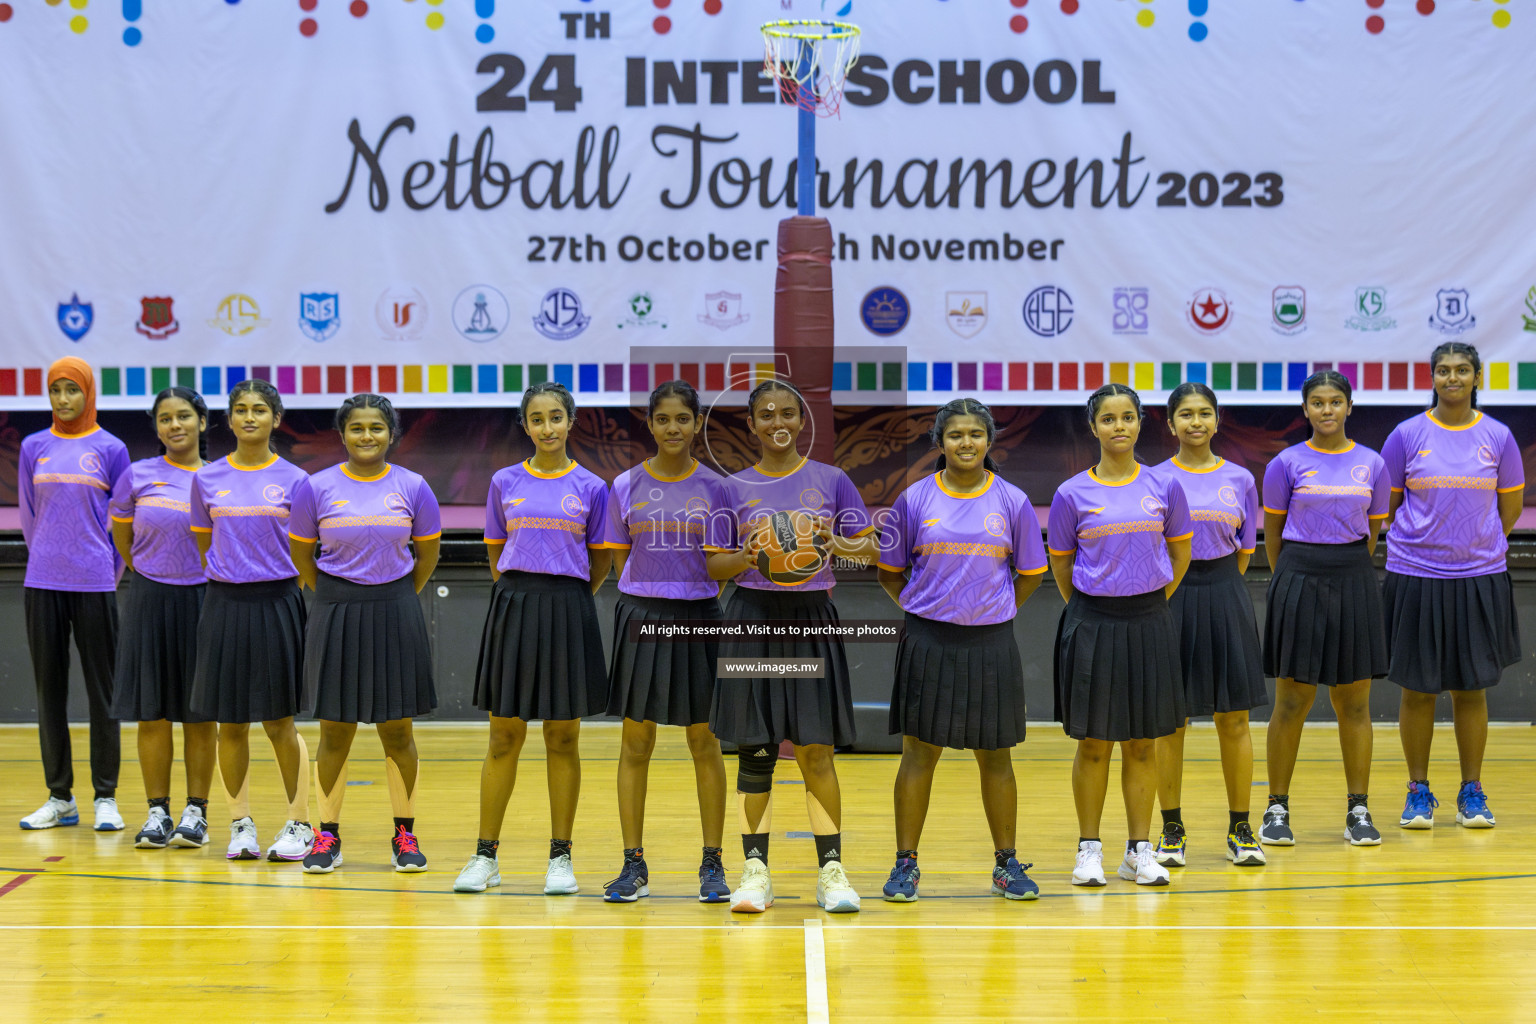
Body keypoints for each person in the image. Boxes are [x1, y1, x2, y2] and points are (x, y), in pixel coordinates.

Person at [706, 379, 878, 915]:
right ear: (751, 424)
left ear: (803, 422)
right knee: (755, 749)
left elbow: (869, 551)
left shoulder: (832, 480)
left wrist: (838, 544)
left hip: (811, 619)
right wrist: (749, 558)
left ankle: (832, 872)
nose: (777, 421)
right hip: (752, 620)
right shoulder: (730, 490)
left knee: (815, 749)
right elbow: (713, 566)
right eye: (765, 414)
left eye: (787, 412)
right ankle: (754, 873)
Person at [876, 398, 1049, 902]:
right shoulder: (915, 500)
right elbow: (891, 572)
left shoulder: (1012, 501)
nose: (966, 443)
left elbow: (1032, 574)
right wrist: (919, 604)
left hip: (990, 643)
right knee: (917, 756)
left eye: (976, 434)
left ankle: (1006, 864)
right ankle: (905, 865)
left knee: (995, 758)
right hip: (927, 639)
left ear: (989, 442)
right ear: (940, 442)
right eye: (956, 435)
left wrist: (994, 610)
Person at [454, 383, 612, 895]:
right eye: (537, 419)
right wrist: (522, 596)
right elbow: (496, 551)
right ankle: (486, 857)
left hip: (568, 607)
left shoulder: (592, 486)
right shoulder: (505, 481)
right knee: (504, 735)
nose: (548, 427)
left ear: (571, 421)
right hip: (515, 607)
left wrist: (564, 596)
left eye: (556, 417)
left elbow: (602, 560)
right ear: (525, 426)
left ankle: (561, 858)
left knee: (563, 736)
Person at [288, 394, 442, 873]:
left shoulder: (414, 486)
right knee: (335, 730)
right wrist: (338, 595)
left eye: (377, 427)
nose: (367, 436)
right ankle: (326, 838)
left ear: (391, 434)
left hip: (396, 608)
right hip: (336, 608)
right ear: (343, 434)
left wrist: (393, 595)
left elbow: (428, 556)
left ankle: (405, 836)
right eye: (357, 428)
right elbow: (302, 557)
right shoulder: (315, 488)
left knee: (398, 730)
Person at [1048, 383, 1190, 888]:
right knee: (1093, 744)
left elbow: (1178, 554)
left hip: (1150, 621)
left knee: (1143, 744)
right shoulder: (1071, 493)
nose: (1119, 427)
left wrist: (1148, 600)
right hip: (1093, 622)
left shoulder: (1164, 486)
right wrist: (1093, 606)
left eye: (1128, 417)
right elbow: (1061, 565)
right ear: (1094, 428)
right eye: (1108, 419)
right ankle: (1089, 849)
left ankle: (1139, 850)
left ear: (1140, 423)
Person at [598, 381, 732, 903]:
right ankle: (633, 864)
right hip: (641, 616)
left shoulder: (717, 489)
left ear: (697, 424)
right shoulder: (625, 483)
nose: (673, 428)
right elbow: (616, 558)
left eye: (682, 418)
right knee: (637, 741)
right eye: (663, 419)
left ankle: (712, 864)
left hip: (699, 616)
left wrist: (689, 596)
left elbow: (719, 566)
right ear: (650, 425)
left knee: (704, 740)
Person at [1380, 343, 1522, 830]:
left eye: (1462, 370)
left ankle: (1472, 792)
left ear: (1478, 376)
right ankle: (1418, 791)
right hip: (1415, 574)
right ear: (1433, 377)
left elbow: (1510, 508)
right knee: (1417, 690)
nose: (1452, 378)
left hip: (1478, 576)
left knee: (1470, 688)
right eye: (1444, 370)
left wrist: (1475, 547)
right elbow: (1390, 502)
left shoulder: (1498, 436)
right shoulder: (1407, 435)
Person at [1259, 370, 1391, 847]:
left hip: (1353, 576)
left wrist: (1343, 564)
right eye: (1318, 402)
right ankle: (1276, 808)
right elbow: (1272, 535)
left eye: (1336, 401)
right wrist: (1292, 577)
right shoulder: (1286, 463)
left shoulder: (1373, 464)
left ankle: (1358, 809)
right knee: (1291, 700)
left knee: (1353, 703)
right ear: (1306, 410)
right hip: (1297, 573)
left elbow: (1372, 532)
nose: (1327, 409)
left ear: (1349, 407)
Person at [188, 380, 314, 862]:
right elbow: (206, 543)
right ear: (229, 419)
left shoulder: (296, 480)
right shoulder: (208, 479)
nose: (248, 417)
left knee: (280, 721)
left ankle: (300, 823)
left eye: (260, 409)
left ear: (276, 419)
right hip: (223, 604)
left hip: (278, 601)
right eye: (240, 410)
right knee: (230, 723)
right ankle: (240, 824)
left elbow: (305, 551)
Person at [1153, 383, 1269, 869]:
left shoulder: (1240, 478)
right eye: (1185, 414)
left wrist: (1217, 585)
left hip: (1225, 592)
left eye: (1204, 413)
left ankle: (1241, 826)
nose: (1195, 422)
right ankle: (1172, 829)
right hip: (1167, 599)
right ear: (1170, 424)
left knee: (1234, 718)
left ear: (1217, 421)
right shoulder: (1153, 478)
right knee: (1169, 721)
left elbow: (1245, 548)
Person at [17, 357, 131, 832]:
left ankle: (106, 795)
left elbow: (122, 521)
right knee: (50, 692)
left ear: (89, 393)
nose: (63, 399)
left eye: (72, 390)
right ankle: (59, 796)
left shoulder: (111, 448)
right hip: (42, 583)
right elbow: (28, 516)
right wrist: (47, 558)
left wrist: (107, 570)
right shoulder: (33, 446)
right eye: (55, 390)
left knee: (104, 694)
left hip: (95, 584)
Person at [109, 387, 217, 849]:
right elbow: (123, 538)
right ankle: (157, 812)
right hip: (150, 597)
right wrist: (152, 571)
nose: (175, 425)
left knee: (199, 715)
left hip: (206, 600)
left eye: (184, 416)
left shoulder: (218, 477)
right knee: (151, 713)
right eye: (165, 418)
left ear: (203, 422)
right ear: (156, 427)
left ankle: (197, 812)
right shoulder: (137, 475)